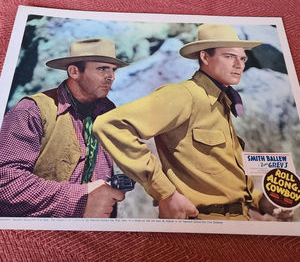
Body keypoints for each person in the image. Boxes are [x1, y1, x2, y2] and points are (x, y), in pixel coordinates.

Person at [93, 24, 293, 220]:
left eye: (242, 58)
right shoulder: (184, 95)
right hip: (200, 223)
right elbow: (110, 125)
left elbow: (218, 173)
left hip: (236, 220)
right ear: (205, 57)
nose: (239, 64)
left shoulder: (221, 101)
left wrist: (260, 201)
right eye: (229, 56)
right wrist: (166, 194)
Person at [0, 37, 127, 218]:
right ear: (74, 72)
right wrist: (80, 199)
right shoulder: (32, 110)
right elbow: (5, 181)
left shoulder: (108, 112)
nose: (111, 77)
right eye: (102, 69)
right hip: (44, 233)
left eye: (113, 70)